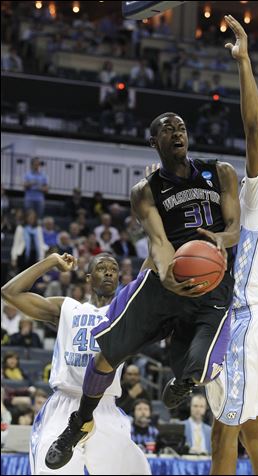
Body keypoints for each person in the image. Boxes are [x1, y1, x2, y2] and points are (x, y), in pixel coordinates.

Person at [44, 88, 240, 468]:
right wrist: (168, 277)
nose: (177, 132)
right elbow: (159, 242)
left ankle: (182, 381)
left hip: (212, 283)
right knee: (105, 357)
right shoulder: (145, 191)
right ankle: (79, 423)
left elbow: (234, 227)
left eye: (181, 127)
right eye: (168, 129)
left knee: (199, 367)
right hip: (166, 280)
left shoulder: (221, 172)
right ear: (155, 141)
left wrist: (221, 239)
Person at [204, 16, 258, 476]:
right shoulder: (249, 212)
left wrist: (244, 63)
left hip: (247, 318)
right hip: (253, 317)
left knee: (226, 429)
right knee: (251, 430)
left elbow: (253, 130)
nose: (250, 171)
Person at [1, 252, 150, 475]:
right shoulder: (68, 308)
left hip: (104, 407)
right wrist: (51, 261)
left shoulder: (125, 311)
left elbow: (150, 270)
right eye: (102, 267)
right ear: (88, 278)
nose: (109, 271)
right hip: (65, 405)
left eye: (114, 268)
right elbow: (9, 292)